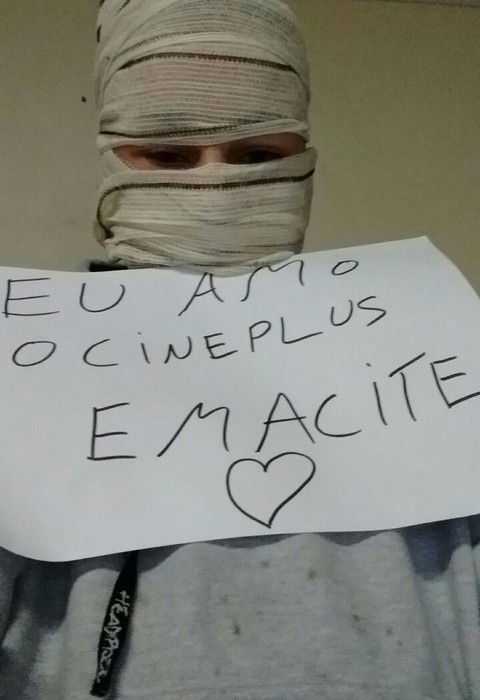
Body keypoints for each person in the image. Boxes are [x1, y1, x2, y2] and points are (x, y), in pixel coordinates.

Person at [1, 1, 480, 698]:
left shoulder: (427, 358)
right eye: (168, 156)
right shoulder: (25, 370)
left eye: (258, 157)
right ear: (113, 155)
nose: (215, 184)